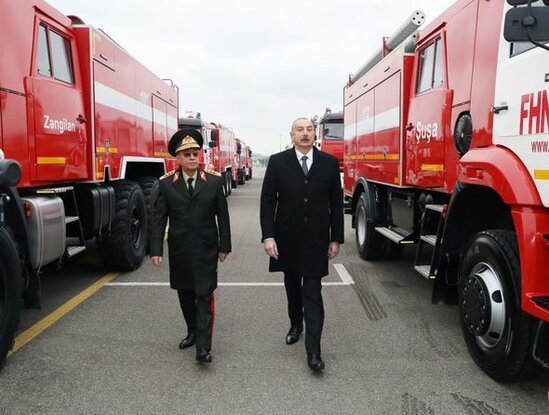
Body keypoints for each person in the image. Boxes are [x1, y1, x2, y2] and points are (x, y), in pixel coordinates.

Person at [260, 117, 344, 371]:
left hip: (316, 240)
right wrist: (268, 236)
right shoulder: (277, 162)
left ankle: (314, 352)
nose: (305, 134)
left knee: (312, 290)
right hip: (287, 238)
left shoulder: (329, 164)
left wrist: (335, 237)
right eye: (300, 130)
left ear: (315, 134)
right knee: (292, 285)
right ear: (292, 135)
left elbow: (336, 204)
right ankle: (296, 323)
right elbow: (267, 202)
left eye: (309, 129)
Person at [150, 128, 231, 363]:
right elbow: (159, 218)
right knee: (185, 293)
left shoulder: (214, 182)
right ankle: (193, 331)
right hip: (180, 249)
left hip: (206, 250)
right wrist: (156, 250)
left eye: (196, 153)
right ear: (178, 158)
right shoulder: (166, 184)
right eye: (187, 154)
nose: (193, 158)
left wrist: (224, 245)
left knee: (204, 295)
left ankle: (203, 348)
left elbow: (222, 217)